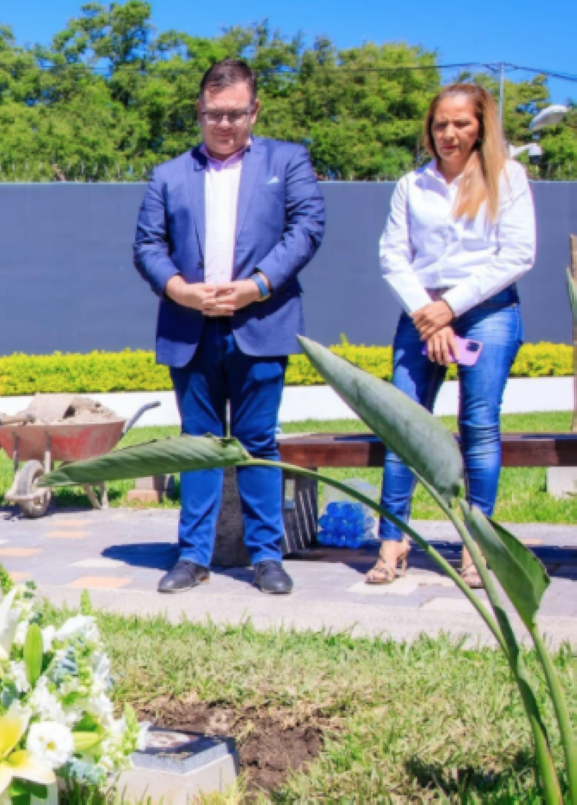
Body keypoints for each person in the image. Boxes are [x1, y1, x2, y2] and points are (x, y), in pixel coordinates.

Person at [133, 58, 326, 595]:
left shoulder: (287, 162)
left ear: (254, 110)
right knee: (198, 443)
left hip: (261, 323)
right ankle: (193, 556)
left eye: (236, 114)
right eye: (214, 114)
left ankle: (267, 556)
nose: (224, 124)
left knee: (258, 441)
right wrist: (179, 290)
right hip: (189, 328)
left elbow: (308, 228)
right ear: (199, 110)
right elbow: (147, 246)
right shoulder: (169, 175)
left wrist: (256, 286)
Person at [371, 83, 536, 587]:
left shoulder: (507, 178)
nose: (448, 133)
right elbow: (392, 256)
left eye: (460, 123)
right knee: (404, 424)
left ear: (482, 126)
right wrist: (428, 312)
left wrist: (450, 308)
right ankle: (391, 540)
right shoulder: (411, 185)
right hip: (422, 311)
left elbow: (517, 255)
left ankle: (475, 544)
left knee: (479, 424)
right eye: (440, 123)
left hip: (487, 311)